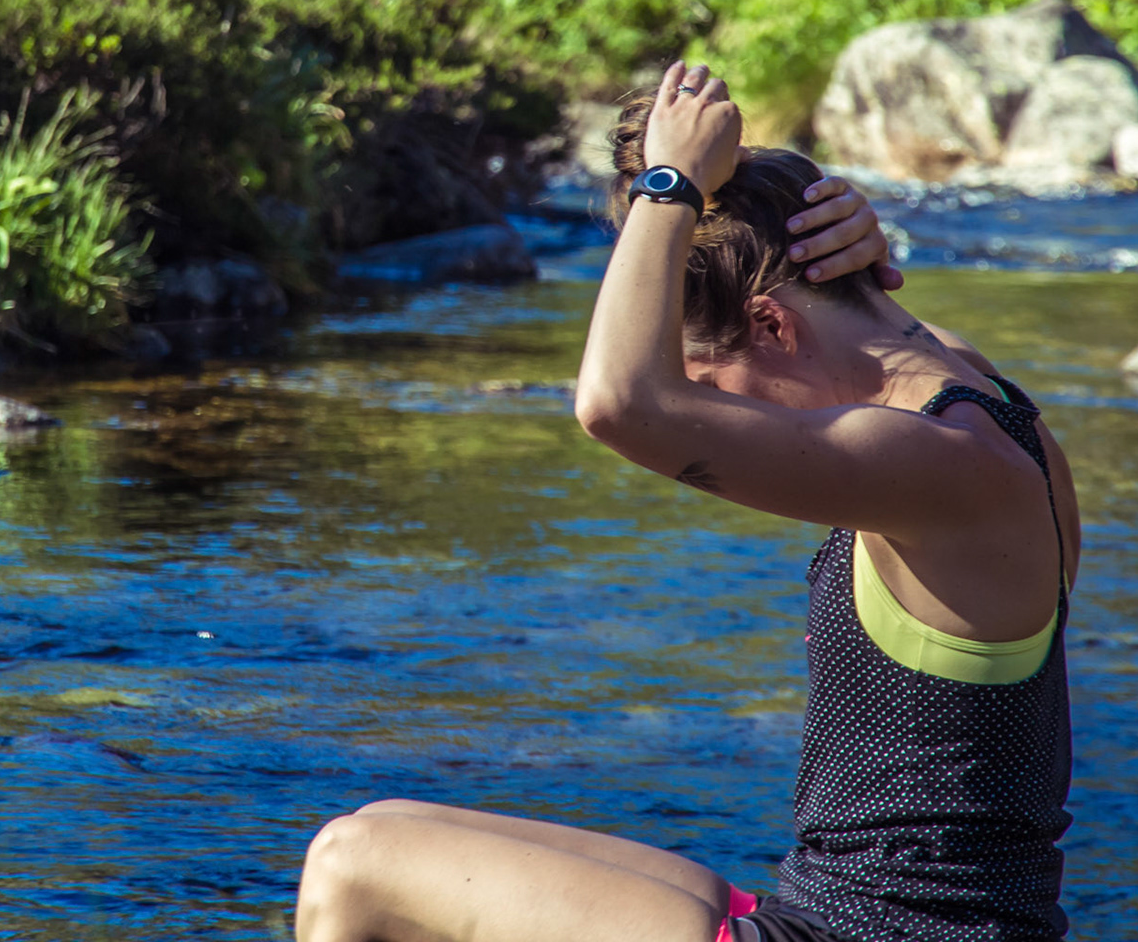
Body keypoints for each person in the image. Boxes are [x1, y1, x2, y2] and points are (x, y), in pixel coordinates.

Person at [294, 60, 1079, 942]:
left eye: (709, 382)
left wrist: (669, 185)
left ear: (771, 324)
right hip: (833, 909)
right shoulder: (981, 401)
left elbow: (617, 403)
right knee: (393, 824)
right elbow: (879, 328)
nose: (718, 414)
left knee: (352, 864)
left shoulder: (935, 463)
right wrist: (854, 242)